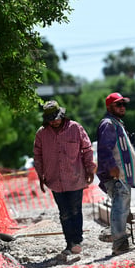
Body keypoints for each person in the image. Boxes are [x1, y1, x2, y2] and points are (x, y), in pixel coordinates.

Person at [34, 100, 96, 255]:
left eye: (56, 118)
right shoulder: (41, 134)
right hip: (54, 181)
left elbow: (87, 149)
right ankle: (70, 243)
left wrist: (90, 169)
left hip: (75, 178)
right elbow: (38, 157)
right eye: (51, 119)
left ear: (62, 115)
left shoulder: (75, 128)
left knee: (76, 210)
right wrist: (41, 178)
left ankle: (77, 240)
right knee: (64, 213)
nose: (54, 122)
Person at [96, 92, 135, 255]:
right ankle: (119, 244)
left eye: (124, 104)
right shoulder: (108, 124)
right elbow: (104, 149)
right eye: (119, 104)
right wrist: (111, 167)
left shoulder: (117, 123)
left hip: (122, 175)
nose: (122, 107)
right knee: (119, 208)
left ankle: (121, 240)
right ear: (109, 107)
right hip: (116, 175)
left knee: (122, 207)